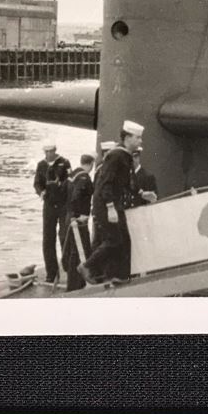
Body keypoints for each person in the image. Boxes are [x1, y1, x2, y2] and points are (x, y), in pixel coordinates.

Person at [78, 121, 143, 285]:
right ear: (127, 138)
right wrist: (110, 208)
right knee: (114, 240)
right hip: (106, 205)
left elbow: (126, 183)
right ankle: (87, 266)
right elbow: (105, 183)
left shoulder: (125, 156)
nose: (141, 141)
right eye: (138, 137)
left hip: (114, 203)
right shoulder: (116, 155)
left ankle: (120, 277)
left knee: (124, 240)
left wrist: (142, 193)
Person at [33, 141, 72, 283]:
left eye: (51, 151)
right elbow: (37, 183)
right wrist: (41, 192)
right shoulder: (41, 165)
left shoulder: (64, 163)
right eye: (46, 152)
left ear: (55, 150)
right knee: (48, 239)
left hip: (62, 205)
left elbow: (69, 180)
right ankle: (52, 272)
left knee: (64, 236)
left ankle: (68, 268)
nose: (49, 154)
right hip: (49, 205)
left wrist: (61, 186)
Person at [63, 154, 95, 291]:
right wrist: (81, 215)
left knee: (73, 251)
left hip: (68, 216)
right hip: (77, 220)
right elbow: (77, 195)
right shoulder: (84, 177)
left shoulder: (72, 175)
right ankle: (74, 286)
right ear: (91, 164)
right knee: (78, 252)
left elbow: (64, 193)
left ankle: (75, 283)